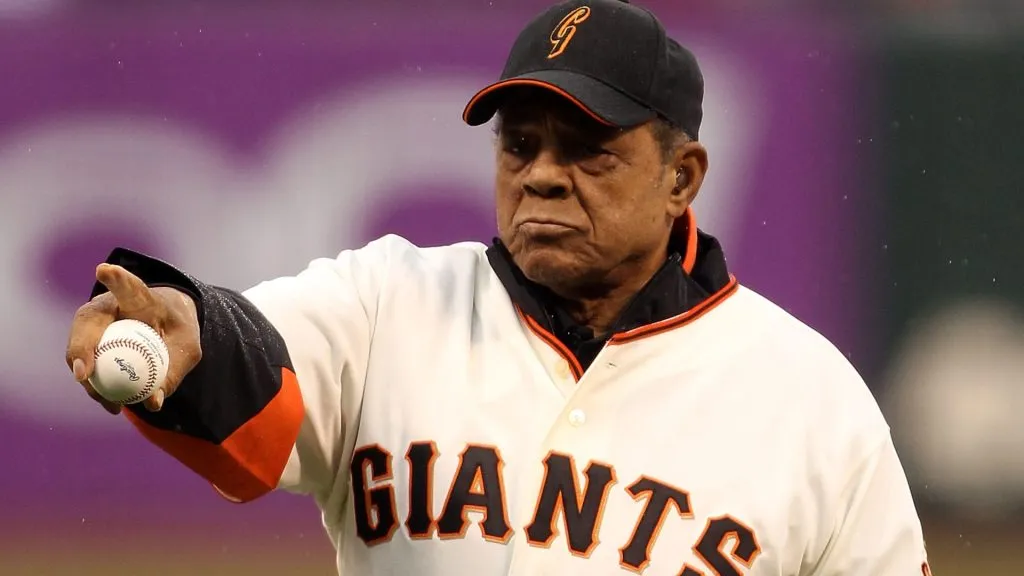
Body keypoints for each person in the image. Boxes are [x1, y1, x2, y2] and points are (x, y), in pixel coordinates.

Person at [65, 1, 931, 574]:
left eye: (588, 150)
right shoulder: (389, 303)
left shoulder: (812, 402)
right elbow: (255, 374)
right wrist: (192, 325)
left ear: (682, 177)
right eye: (521, 145)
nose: (543, 175)